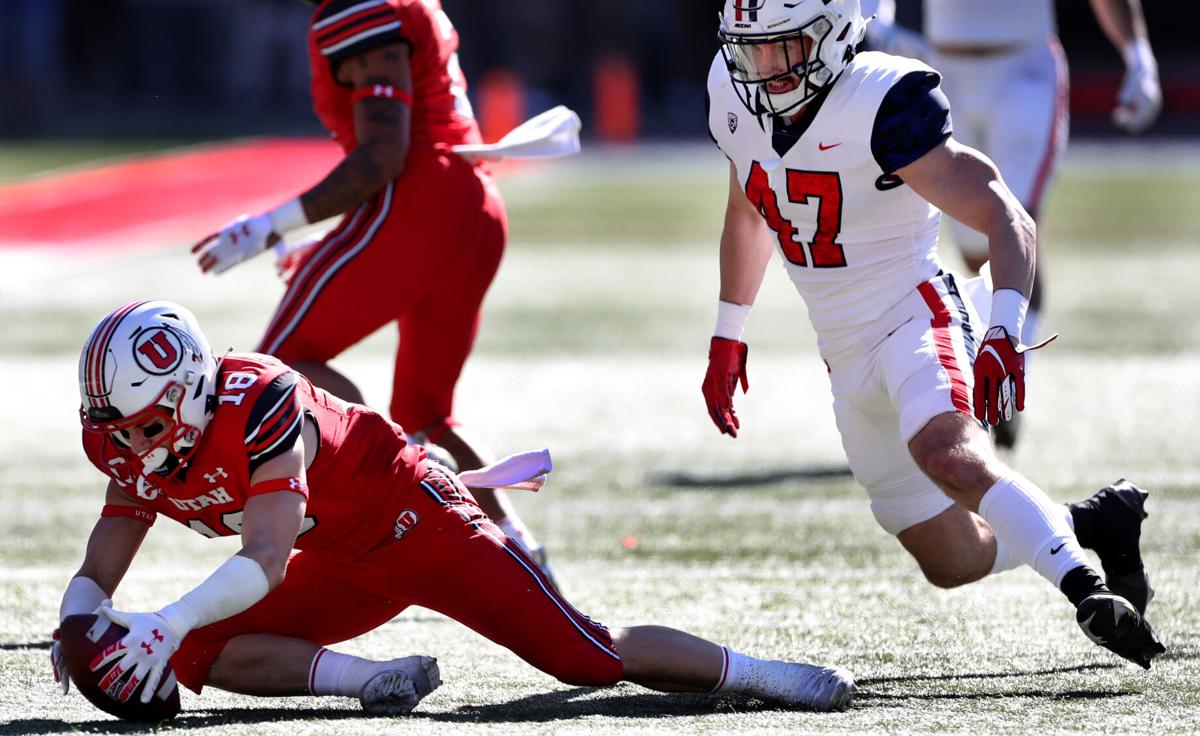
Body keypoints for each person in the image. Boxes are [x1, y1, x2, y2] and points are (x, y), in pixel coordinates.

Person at [50, 300, 855, 715]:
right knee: (202, 651)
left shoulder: (259, 400)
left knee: (584, 657)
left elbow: (264, 557)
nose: (131, 445)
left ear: (191, 393)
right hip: (343, 559)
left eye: (146, 425)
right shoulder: (126, 441)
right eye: (117, 430)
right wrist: (76, 619)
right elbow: (115, 534)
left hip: (417, 521)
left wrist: (166, 619)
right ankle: (374, 682)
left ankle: (769, 676)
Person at [703, 0, 1163, 668]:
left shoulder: (882, 98)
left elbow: (1006, 214)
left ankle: (1086, 590)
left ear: (832, 34)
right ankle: (1096, 521)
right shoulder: (732, 88)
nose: (765, 67)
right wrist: (728, 332)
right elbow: (747, 208)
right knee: (953, 559)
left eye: (785, 47)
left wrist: (1004, 329)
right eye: (753, 48)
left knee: (948, 454)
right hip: (843, 353)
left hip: (916, 314)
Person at [190, 0, 553, 575]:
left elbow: (384, 154)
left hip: (421, 202)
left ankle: (402, 481)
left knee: (278, 371)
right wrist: (349, 235)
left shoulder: (359, 9)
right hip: (470, 205)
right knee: (426, 414)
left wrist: (270, 226)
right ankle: (520, 555)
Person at [861, 0, 1163, 447]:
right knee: (976, 251)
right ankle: (990, 366)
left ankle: (1009, 385)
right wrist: (877, 21)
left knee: (1016, 224)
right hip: (943, 69)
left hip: (1024, 70)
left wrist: (1138, 54)